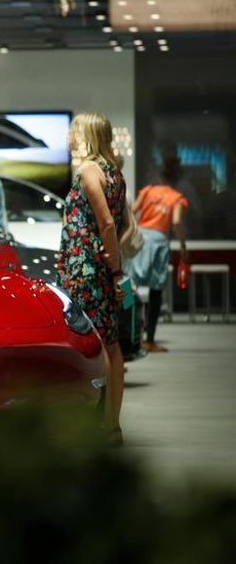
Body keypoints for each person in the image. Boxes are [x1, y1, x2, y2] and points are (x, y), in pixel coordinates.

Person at [56, 112, 129, 445]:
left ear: (87, 134)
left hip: (86, 269)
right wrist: (113, 258)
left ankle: (95, 425)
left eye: (75, 131)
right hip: (97, 266)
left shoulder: (87, 171)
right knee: (111, 345)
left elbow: (109, 224)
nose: (71, 136)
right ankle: (111, 425)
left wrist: (111, 266)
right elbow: (127, 226)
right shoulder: (115, 173)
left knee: (93, 346)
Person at [131, 154, 189, 353]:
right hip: (159, 242)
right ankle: (150, 339)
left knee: (131, 286)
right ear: (177, 179)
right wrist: (183, 248)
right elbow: (176, 221)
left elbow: (132, 210)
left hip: (140, 239)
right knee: (156, 290)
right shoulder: (177, 198)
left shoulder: (148, 191)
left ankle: (130, 337)